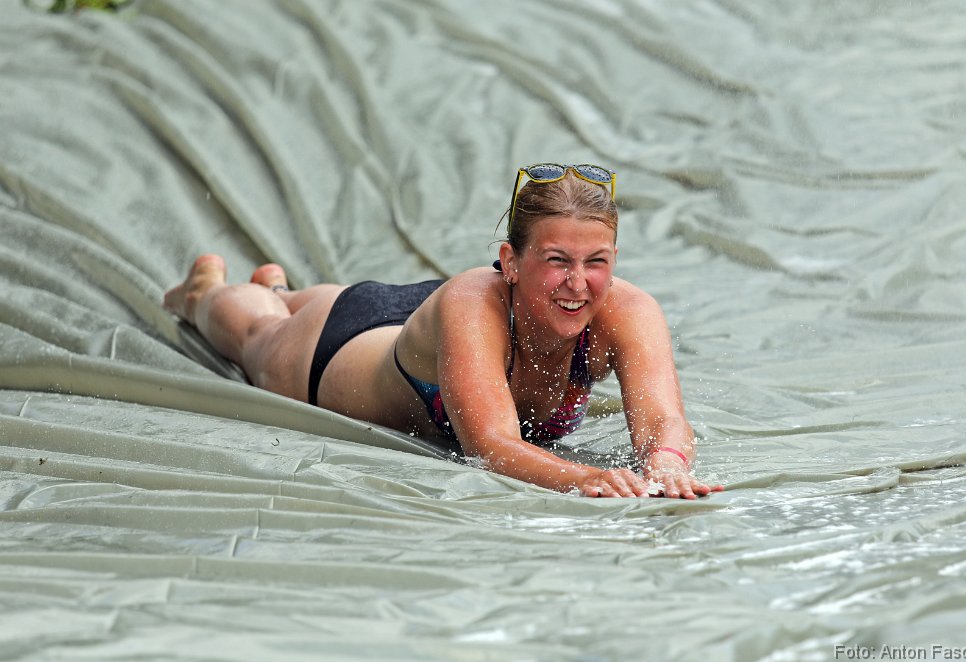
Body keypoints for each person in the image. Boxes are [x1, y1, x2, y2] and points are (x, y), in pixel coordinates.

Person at [164, 163, 722, 499]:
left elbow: (663, 420)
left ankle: (280, 286)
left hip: (434, 329)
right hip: (343, 347)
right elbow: (492, 445)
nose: (578, 283)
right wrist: (582, 477)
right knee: (260, 334)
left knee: (297, 301)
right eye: (556, 260)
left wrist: (667, 461)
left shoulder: (627, 310)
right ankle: (205, 292)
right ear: (511, 261)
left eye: (595, 261)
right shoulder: (473, 300)